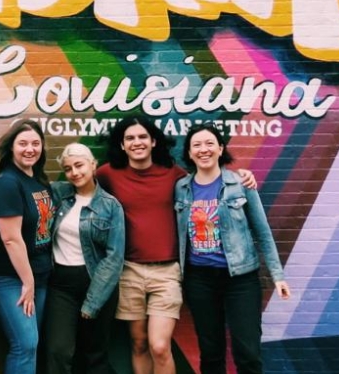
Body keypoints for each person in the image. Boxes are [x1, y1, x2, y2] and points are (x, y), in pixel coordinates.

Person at [96, 116, 257, 374]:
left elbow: (208, 179)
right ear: (122, 145)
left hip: (167, 271)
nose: (137, 142)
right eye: (130, 138)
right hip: (128, 271)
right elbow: (79, 186)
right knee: (138, 343)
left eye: (142, 137)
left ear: (153, 141)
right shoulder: (107, 174)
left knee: (159, 346)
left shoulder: (175, 175)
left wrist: (242, 177)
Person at [175, 123, 290, 374]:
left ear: (220, 148)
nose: (203, 149)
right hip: (199, 280)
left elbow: (262, 231)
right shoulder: (181, 188)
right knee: (211, 352)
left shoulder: (240, 184)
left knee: (247, 352)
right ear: (189, 152)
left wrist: (277, 275)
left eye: (209, 143)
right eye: (196, 145)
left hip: (240, 278)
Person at [0, 120, 56, 374]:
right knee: (25, 344)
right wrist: (28, 282)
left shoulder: (38, 182)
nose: (30, 149)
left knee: (32, 346)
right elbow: (10, 238)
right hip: (10, 278)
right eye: (23, 143)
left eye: (36, 143)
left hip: (39, 275)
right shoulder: (7, 183)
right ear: (11, 147)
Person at [44, 143, 125, 374]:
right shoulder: (59, 193)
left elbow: (114, 257)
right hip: (61, 285)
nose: (74, 173)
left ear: (93, 164)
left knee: (94, 353)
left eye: (79, 165)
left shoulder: (110, 205)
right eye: (68, 169)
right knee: (58, 350)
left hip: (97, 283)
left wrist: (93, 301)